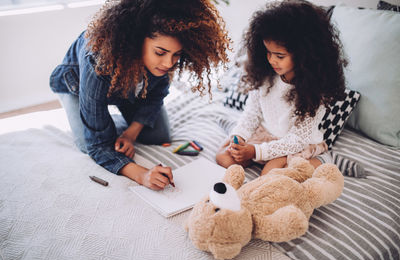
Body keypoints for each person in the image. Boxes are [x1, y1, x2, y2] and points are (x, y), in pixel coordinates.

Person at [50, 0, 231, 190]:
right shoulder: (98, 59)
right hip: (75, 86)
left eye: (177, 54)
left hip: (126, 89)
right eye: (160, 52)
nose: (169, 63)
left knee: (157, 134)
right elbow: (98, 146)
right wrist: (142, 174)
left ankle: (107, 119)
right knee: (89, 144)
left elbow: (156, 94)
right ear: (136, 40)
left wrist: (129, 135)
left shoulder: (165, 60)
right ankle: (94, 115)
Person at [216, 0, 347, 175]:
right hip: (266, 135)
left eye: (279, 55)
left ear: (304, 54)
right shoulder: (265, 75)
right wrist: (239, 138)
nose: (271, 60)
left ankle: (322, 159)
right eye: (267, 52)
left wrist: (255, 152)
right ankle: (253, 149)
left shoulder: (315, 89)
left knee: (271, 175)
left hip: (294, 143)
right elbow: (252, 113)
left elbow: (297, 140)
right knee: (224, 156)